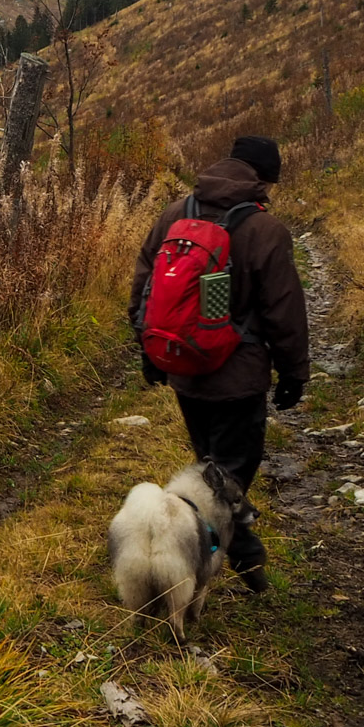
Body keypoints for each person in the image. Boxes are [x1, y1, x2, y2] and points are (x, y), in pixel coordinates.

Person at [129, 134, 309, 593]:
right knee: (222, 485)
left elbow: (145, 282)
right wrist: (293, 373)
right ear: (262, 179)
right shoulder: (266, 230)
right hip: (238, 377)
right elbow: (283, 309)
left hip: (184, 372)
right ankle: (194, 568)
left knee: (212, 473)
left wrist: (147, 349)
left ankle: (240, 559)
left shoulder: (175, 212)